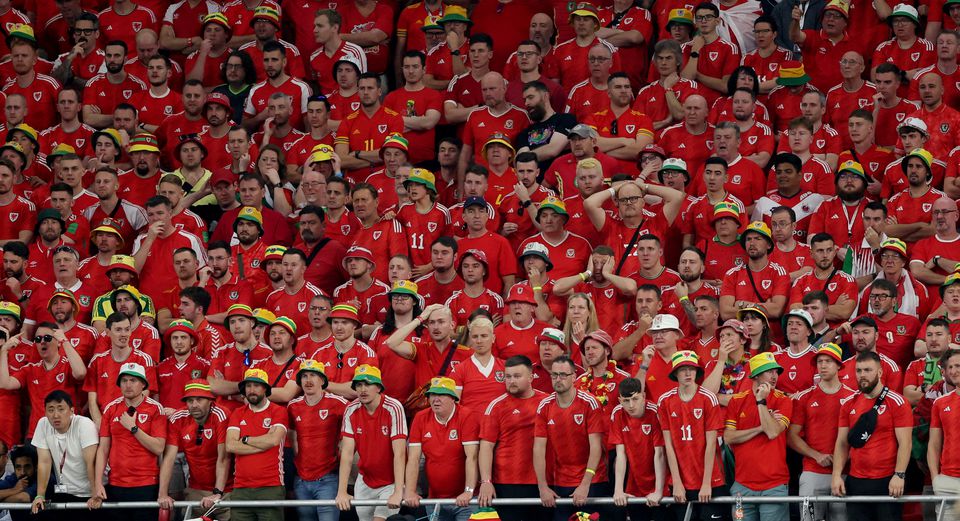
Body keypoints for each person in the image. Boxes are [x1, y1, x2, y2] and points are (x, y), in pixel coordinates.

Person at [832, 351, 913, 521]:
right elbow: (841, 443)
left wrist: (899, 475)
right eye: (859, 371)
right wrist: (836, 475)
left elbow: (905, 443)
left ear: (880, 372)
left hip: (887, 480)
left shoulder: (897, 402)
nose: (862, 375)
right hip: (856, 480)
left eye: (868, 370)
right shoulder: (849, 403)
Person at [534, 354, 607, 521]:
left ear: (574, 376)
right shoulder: (545, 406)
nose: (558, 379)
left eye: (563, 375)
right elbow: (538, 448)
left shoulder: (590, 403)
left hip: (593, 481)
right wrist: (542, 487)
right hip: (561, 481)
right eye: (554, 375)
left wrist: (585, 484)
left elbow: (596, 447)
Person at [788, 343, 855, 521]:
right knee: (808, 519)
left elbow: (859, 437)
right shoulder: (804, 397)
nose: (823, 366)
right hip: (812, 470)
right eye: (819, 361)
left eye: (828, 361)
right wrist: (816, 455)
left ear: (839, 365)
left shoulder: (853, 398)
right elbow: (791, 436)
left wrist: (844, 458)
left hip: (844, 471)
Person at [658, 350, 727, 521]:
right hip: (681, 480)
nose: (688, 373)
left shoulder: (708, 398)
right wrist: (677, 482)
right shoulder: (665, 401)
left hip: (710, 480)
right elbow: (669, 445)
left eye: (692, 369)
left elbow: (711, 445)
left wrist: (706, 483)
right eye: (683, 369)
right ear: (675, 373)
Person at [92, 362, 166, 521]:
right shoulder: (111, 409)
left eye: (133, 380)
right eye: (124, 380)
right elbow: (103, 449)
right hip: (116, 484)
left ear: (143, 384)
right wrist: (97, 483)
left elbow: (159, 448)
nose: (128, 385)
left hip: (146, 484)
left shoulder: (155, 409)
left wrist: (134, 428)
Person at [724, 352, 793, 521]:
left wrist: (761, 402)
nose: (774, 376)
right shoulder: (737, 401)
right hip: (742, 486)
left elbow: (772, 432)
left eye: (776, 372)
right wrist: (759, 428)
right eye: (769, 371)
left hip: (774, 486)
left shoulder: (783, 400)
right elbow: (728, 438)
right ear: (755, 375)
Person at [336, 365, 407, 521]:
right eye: (359, 385)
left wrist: (398, 490)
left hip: (391, 480)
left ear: (379, 387)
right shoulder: (351, 409)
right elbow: (347, 454)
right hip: (365, 479)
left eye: (368, 384)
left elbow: (400, 453)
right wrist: (341, 491)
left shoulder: (394, 407)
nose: (363, 389)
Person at [404, 376, 479, 521]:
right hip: (435, 499)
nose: (435, 399)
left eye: (441, 394)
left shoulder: (466, 416)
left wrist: (468, 491)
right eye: (432, 394)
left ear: (453, 398)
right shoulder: (420, 418)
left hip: (465, 500)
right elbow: (413, 459)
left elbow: (472, 457)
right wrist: (410, 491)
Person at [157, 380, 229, 519]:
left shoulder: (221, 414)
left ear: (210, 400)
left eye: (199, 399)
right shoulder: (178, 418)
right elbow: (169, 459)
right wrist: (163, 494)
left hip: (226, 490)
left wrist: (217, 493)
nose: (194, 405)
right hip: (196, 488)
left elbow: (224, 458)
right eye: (190, 400)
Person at [225, 368, 288, 521]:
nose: (252, 390)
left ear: (265, 388)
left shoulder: (278, 411)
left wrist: (246, 439)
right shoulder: (238, 413)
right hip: (240, 488)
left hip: (271, 485)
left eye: (256, 385)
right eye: (248, 386)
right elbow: (230, 446)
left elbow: (273, 441)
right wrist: (263, 443)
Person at [288, 359, 347, 521]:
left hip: (328, 477)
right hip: (301, 478)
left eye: (313, 375)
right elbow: (291, 437)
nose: (308, 380)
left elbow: (352, 433)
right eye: (304, 376)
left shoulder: (338, 403)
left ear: (322, 380)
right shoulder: (293, 406)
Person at [30, 390, 99, 516]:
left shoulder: (84, 424)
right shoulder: (43, 424)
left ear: (72, 411)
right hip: (65, 492)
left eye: (61, 409)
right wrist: (40, 495)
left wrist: (95, 494)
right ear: (45, 412)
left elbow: (91, 462)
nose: (55, 415)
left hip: (91, 493)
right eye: (50, 410)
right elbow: (44, 462)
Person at [928, 348, 960, 521]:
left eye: (958, 366)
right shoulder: (940, 403)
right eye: (950, 367)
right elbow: (934, 444)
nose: (954, 371)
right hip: (947, 480)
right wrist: (936, 478)